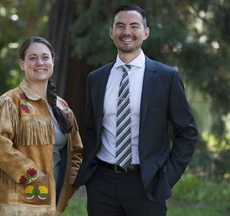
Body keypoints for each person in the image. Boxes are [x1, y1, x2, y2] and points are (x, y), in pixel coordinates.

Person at [74, 3, 198, 216]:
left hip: (147, 184)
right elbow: (91, 130)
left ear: (145, 32)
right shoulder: (96, 78)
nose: (127, 32)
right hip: (102, 184)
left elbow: (187, 133)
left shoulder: (167, 77)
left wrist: (166, 177)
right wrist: (90, 173)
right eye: (120, 26)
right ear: (111, 32)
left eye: (134, 25)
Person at [0, 36, 83, 216]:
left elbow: (76, 151)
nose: (40, 63)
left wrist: (71, 181)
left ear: (52, 61)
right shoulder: (10, 102)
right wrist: (33, 175)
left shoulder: (63, 108)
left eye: (45, 57)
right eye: (32, 58)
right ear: (22, 64)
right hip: (16, 203)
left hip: (53, 203)